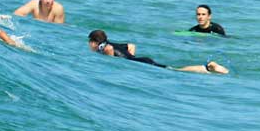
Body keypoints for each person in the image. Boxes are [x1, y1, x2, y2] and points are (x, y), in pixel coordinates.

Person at [88, 30, 228, 74]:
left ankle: (208, 67)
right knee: (173, 69)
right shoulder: (110, 43)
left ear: (94, 42)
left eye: (89, 43)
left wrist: (127, 63)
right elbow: (131, 45)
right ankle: (207, 67)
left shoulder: (105, 48)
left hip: (142, 62)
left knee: (176, 70)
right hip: (141, 60)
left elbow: (110, 52)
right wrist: (132, 59)